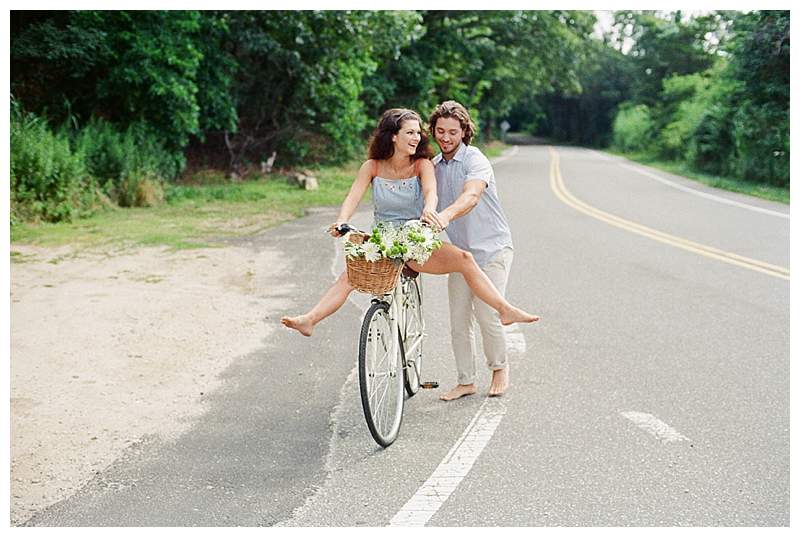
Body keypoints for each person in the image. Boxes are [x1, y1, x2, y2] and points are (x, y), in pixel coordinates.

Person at [281, 108, 538, 337]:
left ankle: (504, 310)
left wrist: (429, 211)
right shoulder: (371, 166)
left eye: (418, 133)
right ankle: (309, 320)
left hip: (414, 240)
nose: (417, 138)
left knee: (464, 259)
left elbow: (431, 193)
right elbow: (353, 196)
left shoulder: (422, 165)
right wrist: (342, 221)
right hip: (382, 240)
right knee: (348, 277)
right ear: (393, 136)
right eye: (410, 133)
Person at [422, 100, 536, 400]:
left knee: (487, 313)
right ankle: (466, 381)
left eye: (452, 132)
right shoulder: (433, 167)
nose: (445, 138)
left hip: (493, 250)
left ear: (464, 132)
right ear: (433, 130)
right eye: (440, 131)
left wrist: (445, 216)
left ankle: (499, 368)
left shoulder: (476, 160)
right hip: (461, 256)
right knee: (458, 321)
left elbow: (471, 196)